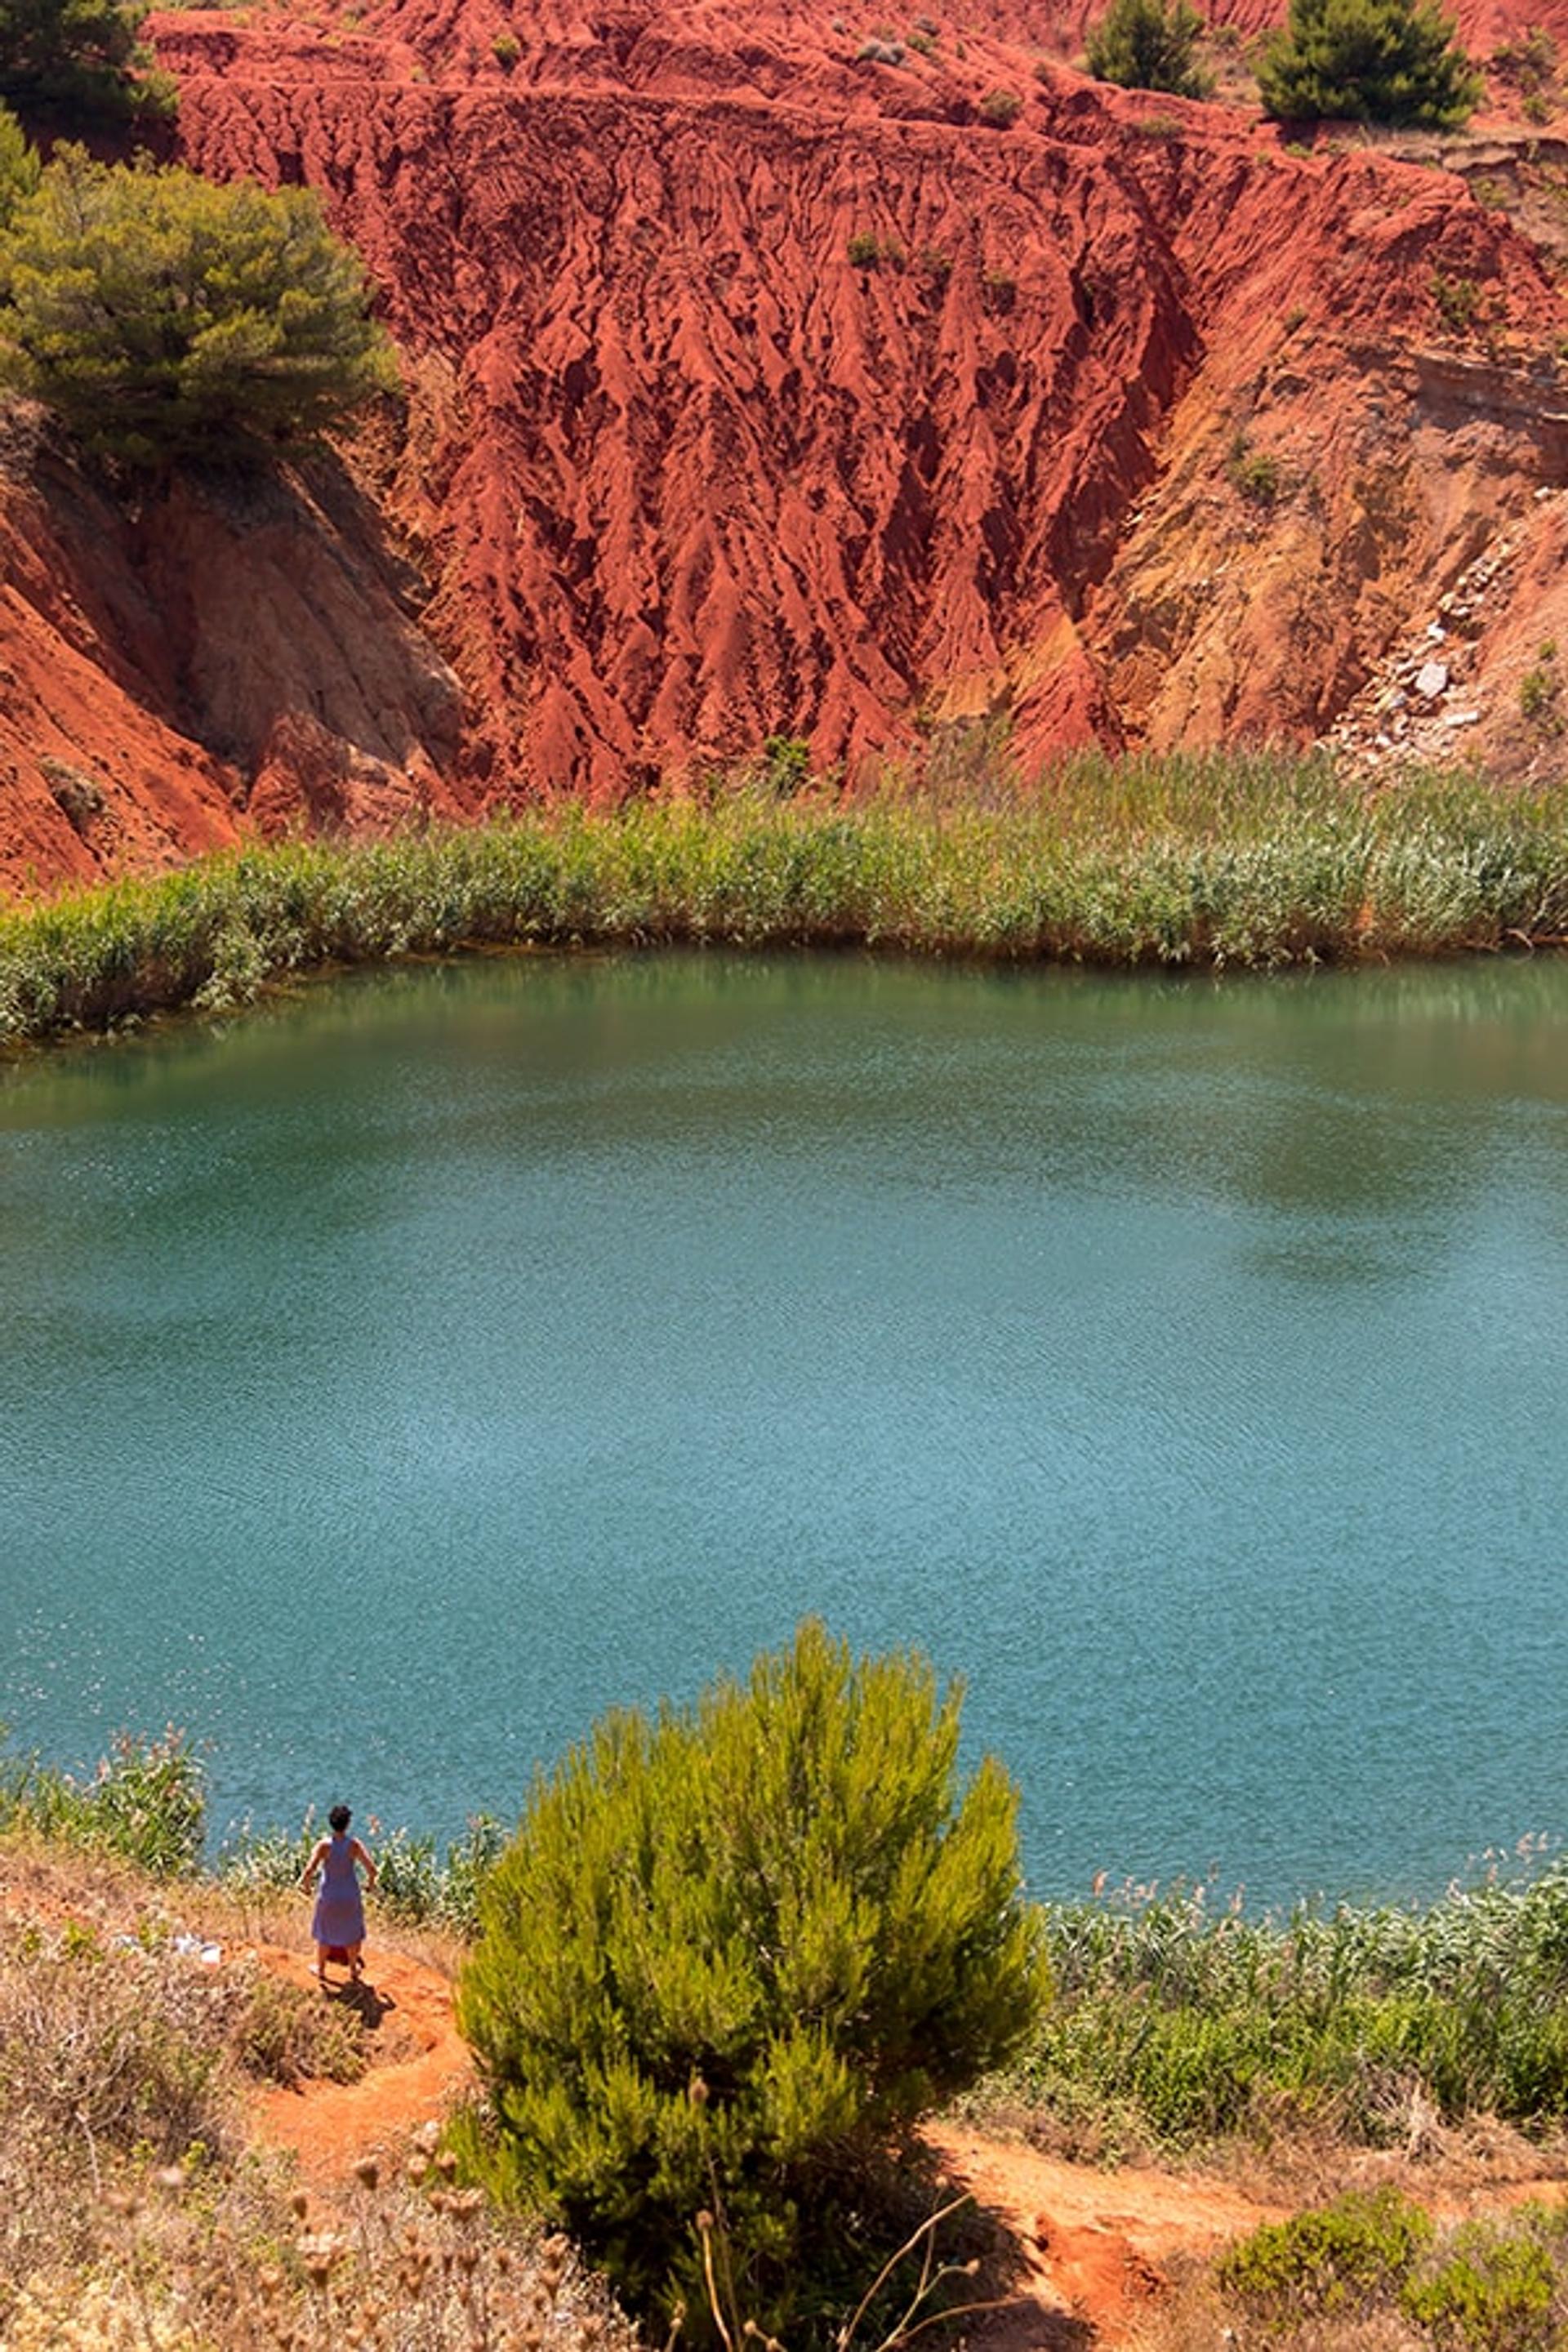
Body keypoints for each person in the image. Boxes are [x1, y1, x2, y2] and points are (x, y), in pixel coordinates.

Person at [300, 1803, 378, 1983]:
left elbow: (309, 1870)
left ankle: (320, 1969)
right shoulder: (354, 1845)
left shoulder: (324, 1845)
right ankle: (352, 1970)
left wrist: (306, 1887)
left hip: (328, 1895)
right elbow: (372, 1870)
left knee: (324, 1933)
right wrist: (370, 1885)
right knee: (351, 1933)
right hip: (350, 1895)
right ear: (348, 1824)